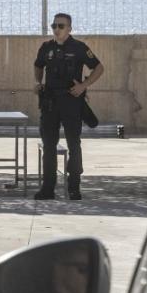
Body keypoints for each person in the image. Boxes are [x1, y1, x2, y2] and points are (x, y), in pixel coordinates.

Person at [34, 13, 104, 201]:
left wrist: (83, 85)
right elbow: (38, 65)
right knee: (48, 145)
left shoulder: (79, 48)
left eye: (61, 26)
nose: (57, 29)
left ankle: (74, 187)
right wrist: (38, 81)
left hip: (71, 101)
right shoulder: (46, 47)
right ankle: (48, 188)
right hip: (50, 102)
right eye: (54, 25)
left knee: (74, 143)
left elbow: (98, 68)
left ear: (69, 28)